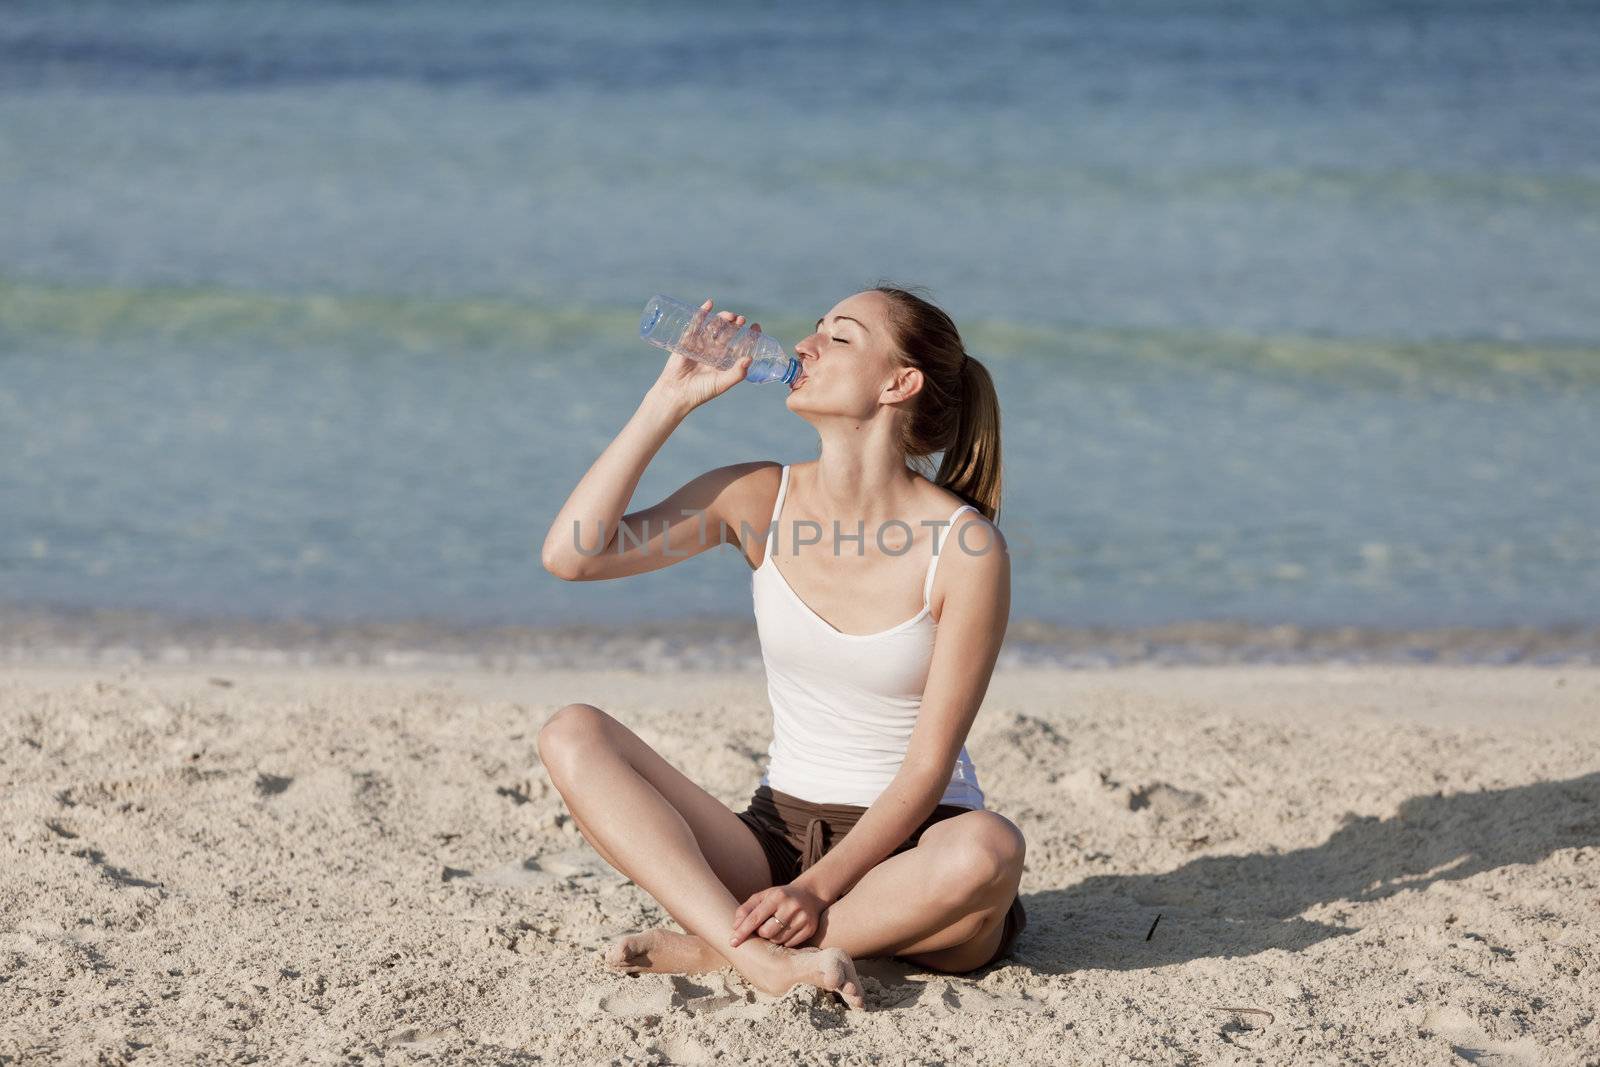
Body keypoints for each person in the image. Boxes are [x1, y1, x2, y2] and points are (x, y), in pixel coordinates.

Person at [537, 285, 1023, 1011]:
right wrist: (668, 400)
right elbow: (574, 554)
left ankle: (722, 948)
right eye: (815, 330)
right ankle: (761, 958)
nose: (805, 346)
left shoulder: (964, 547)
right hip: (775, 837)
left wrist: (815, 889)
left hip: (915, 851)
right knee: (572, 733)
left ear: (900, 382)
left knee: (990, 850)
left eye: (841, 337)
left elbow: (927, 767)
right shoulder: (759, 497)